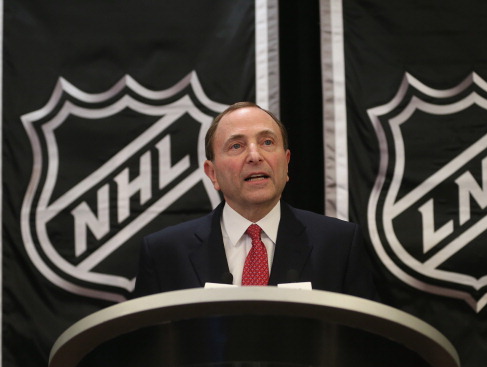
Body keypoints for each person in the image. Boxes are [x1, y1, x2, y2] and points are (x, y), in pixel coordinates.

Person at [132, 102, 377, 300]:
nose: (255, 156)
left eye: (267, 142)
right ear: (212, 173)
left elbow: (363, 338)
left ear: (286, 162)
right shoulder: (165, 253)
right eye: (236, 146)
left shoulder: (339, 245)